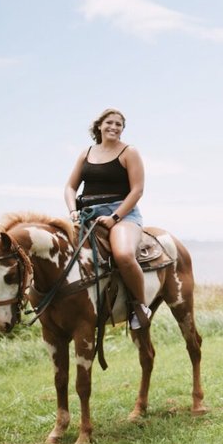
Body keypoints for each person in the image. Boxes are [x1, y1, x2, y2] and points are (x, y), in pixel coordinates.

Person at [64, 108, 151, 331]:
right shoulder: (86, 153)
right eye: (109, 122)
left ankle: (141, 307)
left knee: (123, 255)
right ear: (99, 126)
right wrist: (73, 211)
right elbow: (70, 187)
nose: (113, 127)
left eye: (118, 124)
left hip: (122, 214)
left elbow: (137, 190)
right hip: (87, 214)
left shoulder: (129, 152)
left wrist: (114, 217)